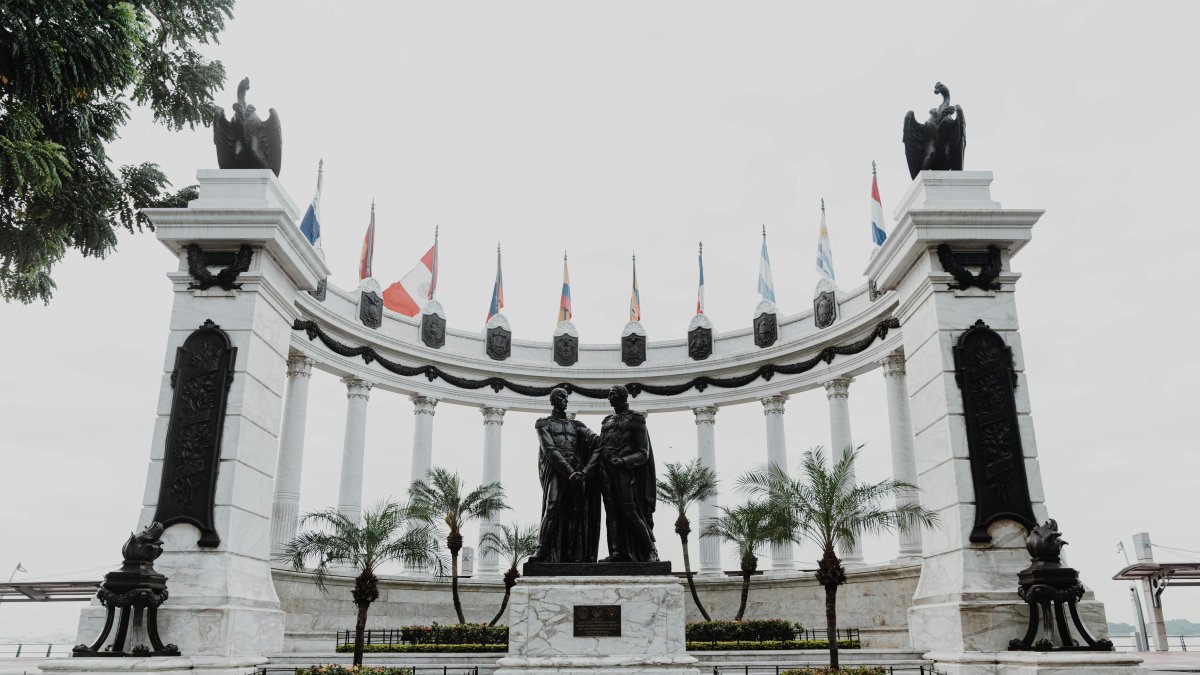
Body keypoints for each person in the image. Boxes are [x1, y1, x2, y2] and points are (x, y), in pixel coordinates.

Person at [529, 388, 601, 563]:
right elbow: (550, 450)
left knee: (575, 513)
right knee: (552, 507)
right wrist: (570, 473)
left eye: (566, 397)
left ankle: (570, 553)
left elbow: (598, 443)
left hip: (577, 472)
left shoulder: (576, 425)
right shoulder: (543, 424)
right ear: (553, 400)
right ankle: (541, 550)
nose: (565, 400)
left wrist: (584, 471)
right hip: (558, 471)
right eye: (561, 397)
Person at [594, 385, 659, 562]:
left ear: (623, 396)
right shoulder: (606, 421)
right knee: (611, 514)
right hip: (605, 472)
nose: (609, 396)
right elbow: (600, 447)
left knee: (630, 512)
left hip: (625, 473)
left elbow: (643, 452)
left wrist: (624, 461)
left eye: (613, 393)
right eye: (608, 394)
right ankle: (616, 552)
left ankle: (650, 550)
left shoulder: (637, 419)